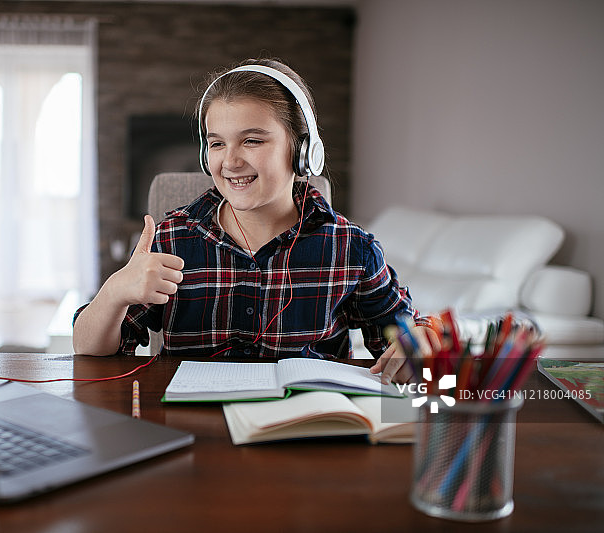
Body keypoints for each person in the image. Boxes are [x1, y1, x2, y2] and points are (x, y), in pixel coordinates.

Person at [73, 58, 436, 384]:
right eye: (216, 144)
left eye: (252, 141)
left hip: (305, 435)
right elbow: (88, 352)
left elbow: (405, 338)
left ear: (303, 151)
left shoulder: (350, 248)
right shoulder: (171, 240)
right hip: (190, 434)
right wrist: (116, 291)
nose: (230, 162)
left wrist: (416, 345)